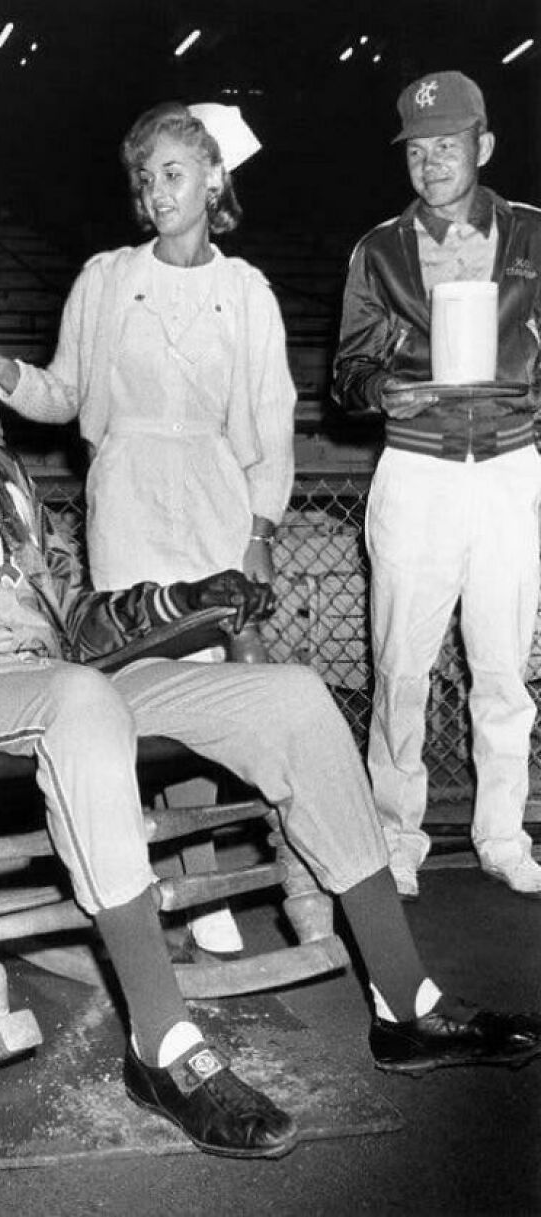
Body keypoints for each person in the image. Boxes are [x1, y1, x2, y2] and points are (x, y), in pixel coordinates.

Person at [0, 269, 541, 1161]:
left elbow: (75, 624)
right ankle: (163, 1045)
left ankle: (408, 1003)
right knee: (81, 702)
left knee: (292, 697)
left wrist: (180, 599)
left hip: (46, 677)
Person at [0, 100, 295, 955]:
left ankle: (250, 862)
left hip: (217, 501)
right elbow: (65, 396)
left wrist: (257, 531)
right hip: (129, 501)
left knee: (226, 693)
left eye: (173, 173)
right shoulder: (106, 277)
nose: (156, 192)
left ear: (216, 177)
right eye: (145, 179)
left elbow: (272, 424)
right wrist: (4, 373)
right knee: (145, 690)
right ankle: (180, 878)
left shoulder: (246, 290)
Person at [332, 70, 541, 902]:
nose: (432, 162)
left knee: (502, 667)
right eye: (418, 150)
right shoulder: (377, 249)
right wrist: (386, 391)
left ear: (482, 147)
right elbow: (347, 375)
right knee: (401, 667)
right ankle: (395, 833)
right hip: (415, 469)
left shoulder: (532, 233)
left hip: (507, 468)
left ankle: (502, 833)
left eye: (447, 145)